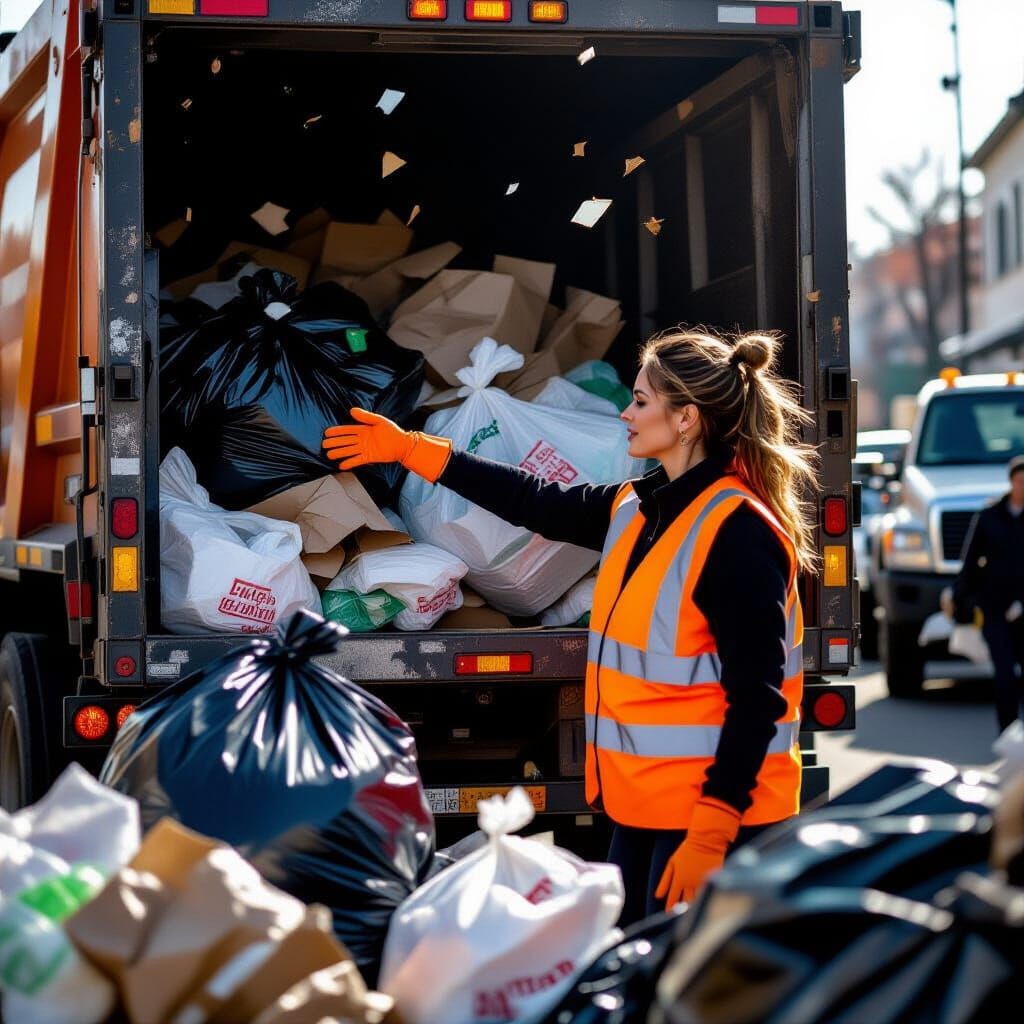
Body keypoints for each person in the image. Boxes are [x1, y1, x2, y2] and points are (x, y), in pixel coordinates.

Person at [322, 330, 819, 923]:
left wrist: (712, 833)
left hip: (711, 821)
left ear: (686, 419)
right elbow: (537, 501)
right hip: (645, 813)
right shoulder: (642, 508)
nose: (624, 413)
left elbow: (758, 699)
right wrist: (411, 450)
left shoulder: (737, 531)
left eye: (640, 400)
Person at [951, 455, 1024, 732]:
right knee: (1004, 674)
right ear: (1011, 482)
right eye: (1020, 481)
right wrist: (961, 598)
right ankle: (1008, 733)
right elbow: (970, 563)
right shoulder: (990, 517)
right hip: (996, 607)